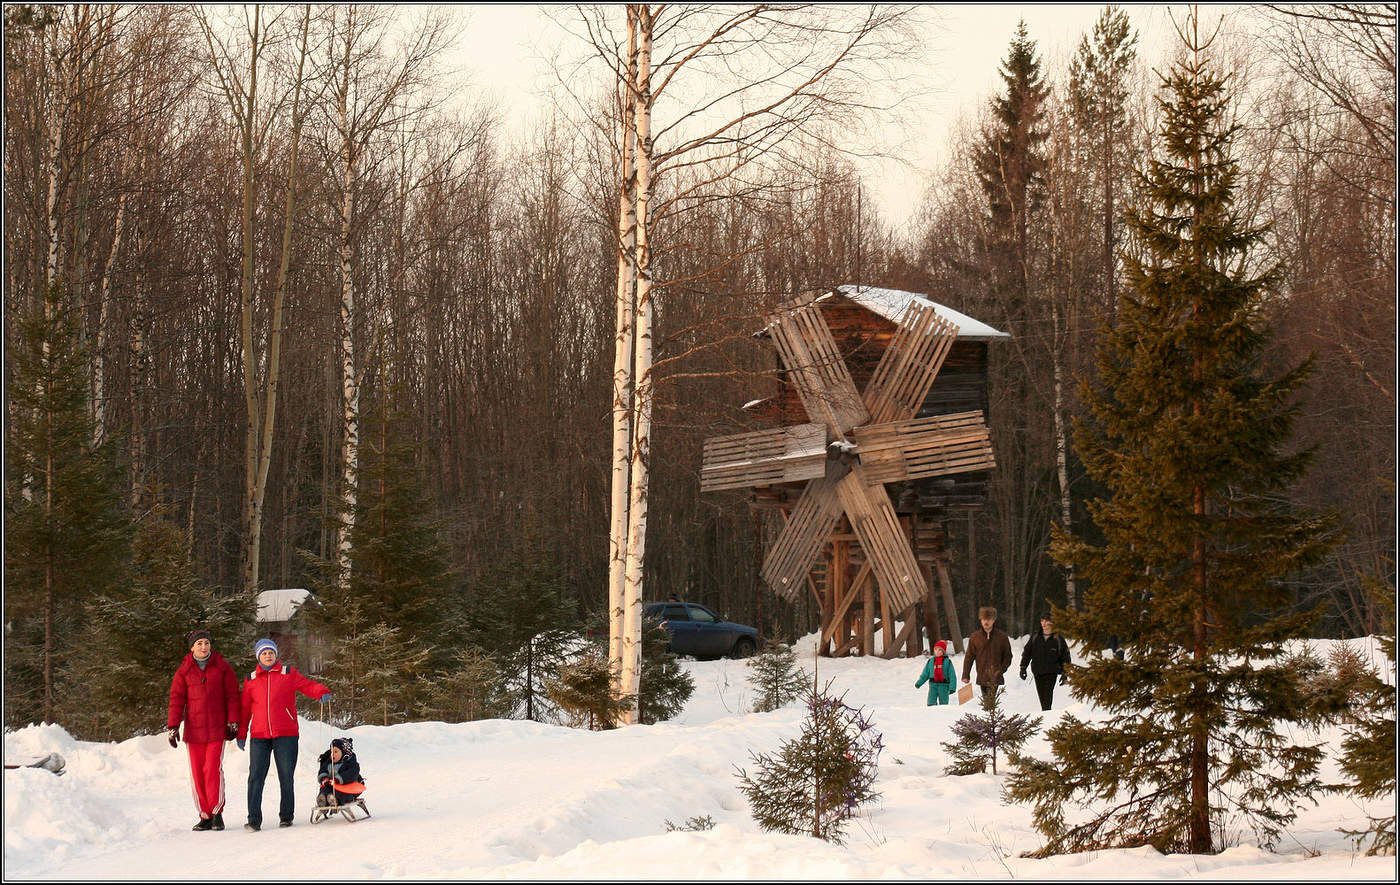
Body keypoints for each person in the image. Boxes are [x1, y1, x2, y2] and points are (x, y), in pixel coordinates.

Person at [235, 638, 331, 831]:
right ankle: (254, 819)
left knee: (286, 776)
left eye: (271, 652)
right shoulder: (251, 679)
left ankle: (286, 816)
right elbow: (245, 709)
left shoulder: (288, 673)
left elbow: (307, 685)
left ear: (275, 655)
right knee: (255, 777)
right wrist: (241, 733)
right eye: (264, 653)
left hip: (286, 734)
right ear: (258, 656)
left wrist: (321, 691)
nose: (268, 656)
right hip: (260, 736)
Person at [166, 628, 240, 831]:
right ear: (192, 647)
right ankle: (204, 815)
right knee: (197, 772)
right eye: (199, 644)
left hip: (217, 728)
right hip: (194, 730)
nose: (203, 647)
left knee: (212, 770)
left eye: (206, 643)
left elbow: (232, 696)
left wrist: (233, 721)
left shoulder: (222, 668)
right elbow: (176, 700)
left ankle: (217, 813)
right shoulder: (184, 671)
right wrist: (173, 726)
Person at [1019, 612, 1072, 711]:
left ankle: (1047, 716)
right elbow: (1027, 653)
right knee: (1042, 698)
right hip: (1038, 671)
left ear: (1052, 623)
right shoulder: (1035, 637)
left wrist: (1065, 673)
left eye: (1047, 621)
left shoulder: (1058, 639)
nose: (1044, 623)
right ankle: (1046, 715)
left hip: (1051, 672)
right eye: (1042, 621)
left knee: (1047, 698)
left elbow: (1065, 656)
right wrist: (1023, 668)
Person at [961, 606, 1013, 700]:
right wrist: (965, 674)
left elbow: (1007, 656)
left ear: (994, 620)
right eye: (984, 619)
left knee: (991, 700)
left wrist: (1000, 670)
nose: (986, 622)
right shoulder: (975, 637)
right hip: (982, 675)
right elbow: (969, 657)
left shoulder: (1002, 637)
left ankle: (991, 713)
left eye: (989, 619)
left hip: (996, 676)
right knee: (987, 701)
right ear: (980, 620)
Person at [315, 737, 365, 808]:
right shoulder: (329, 763)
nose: (332, 754)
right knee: (324, 789)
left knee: (343, 794)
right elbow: (322, 770)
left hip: (347, 788)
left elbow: (350, 774)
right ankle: (323, 800)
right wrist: (324, 778)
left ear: (345, 753)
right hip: (331, 785)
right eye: (331, 752)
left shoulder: (351, 764)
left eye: (335, 752)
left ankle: (335, 800)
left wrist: (338, 779)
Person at [913, 639, 958, 705]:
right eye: (936, 649)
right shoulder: (931, 661)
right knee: (931, 702)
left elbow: (952, 675)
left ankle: (944, 714)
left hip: (944, 685)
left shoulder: (947, 662)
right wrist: (919, 683)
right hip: (933, 685)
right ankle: (932, 713)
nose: (937, 651)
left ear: (943, 652)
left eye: (940, 650)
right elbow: (925, 674)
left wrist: (952, 687)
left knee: (944, 703)